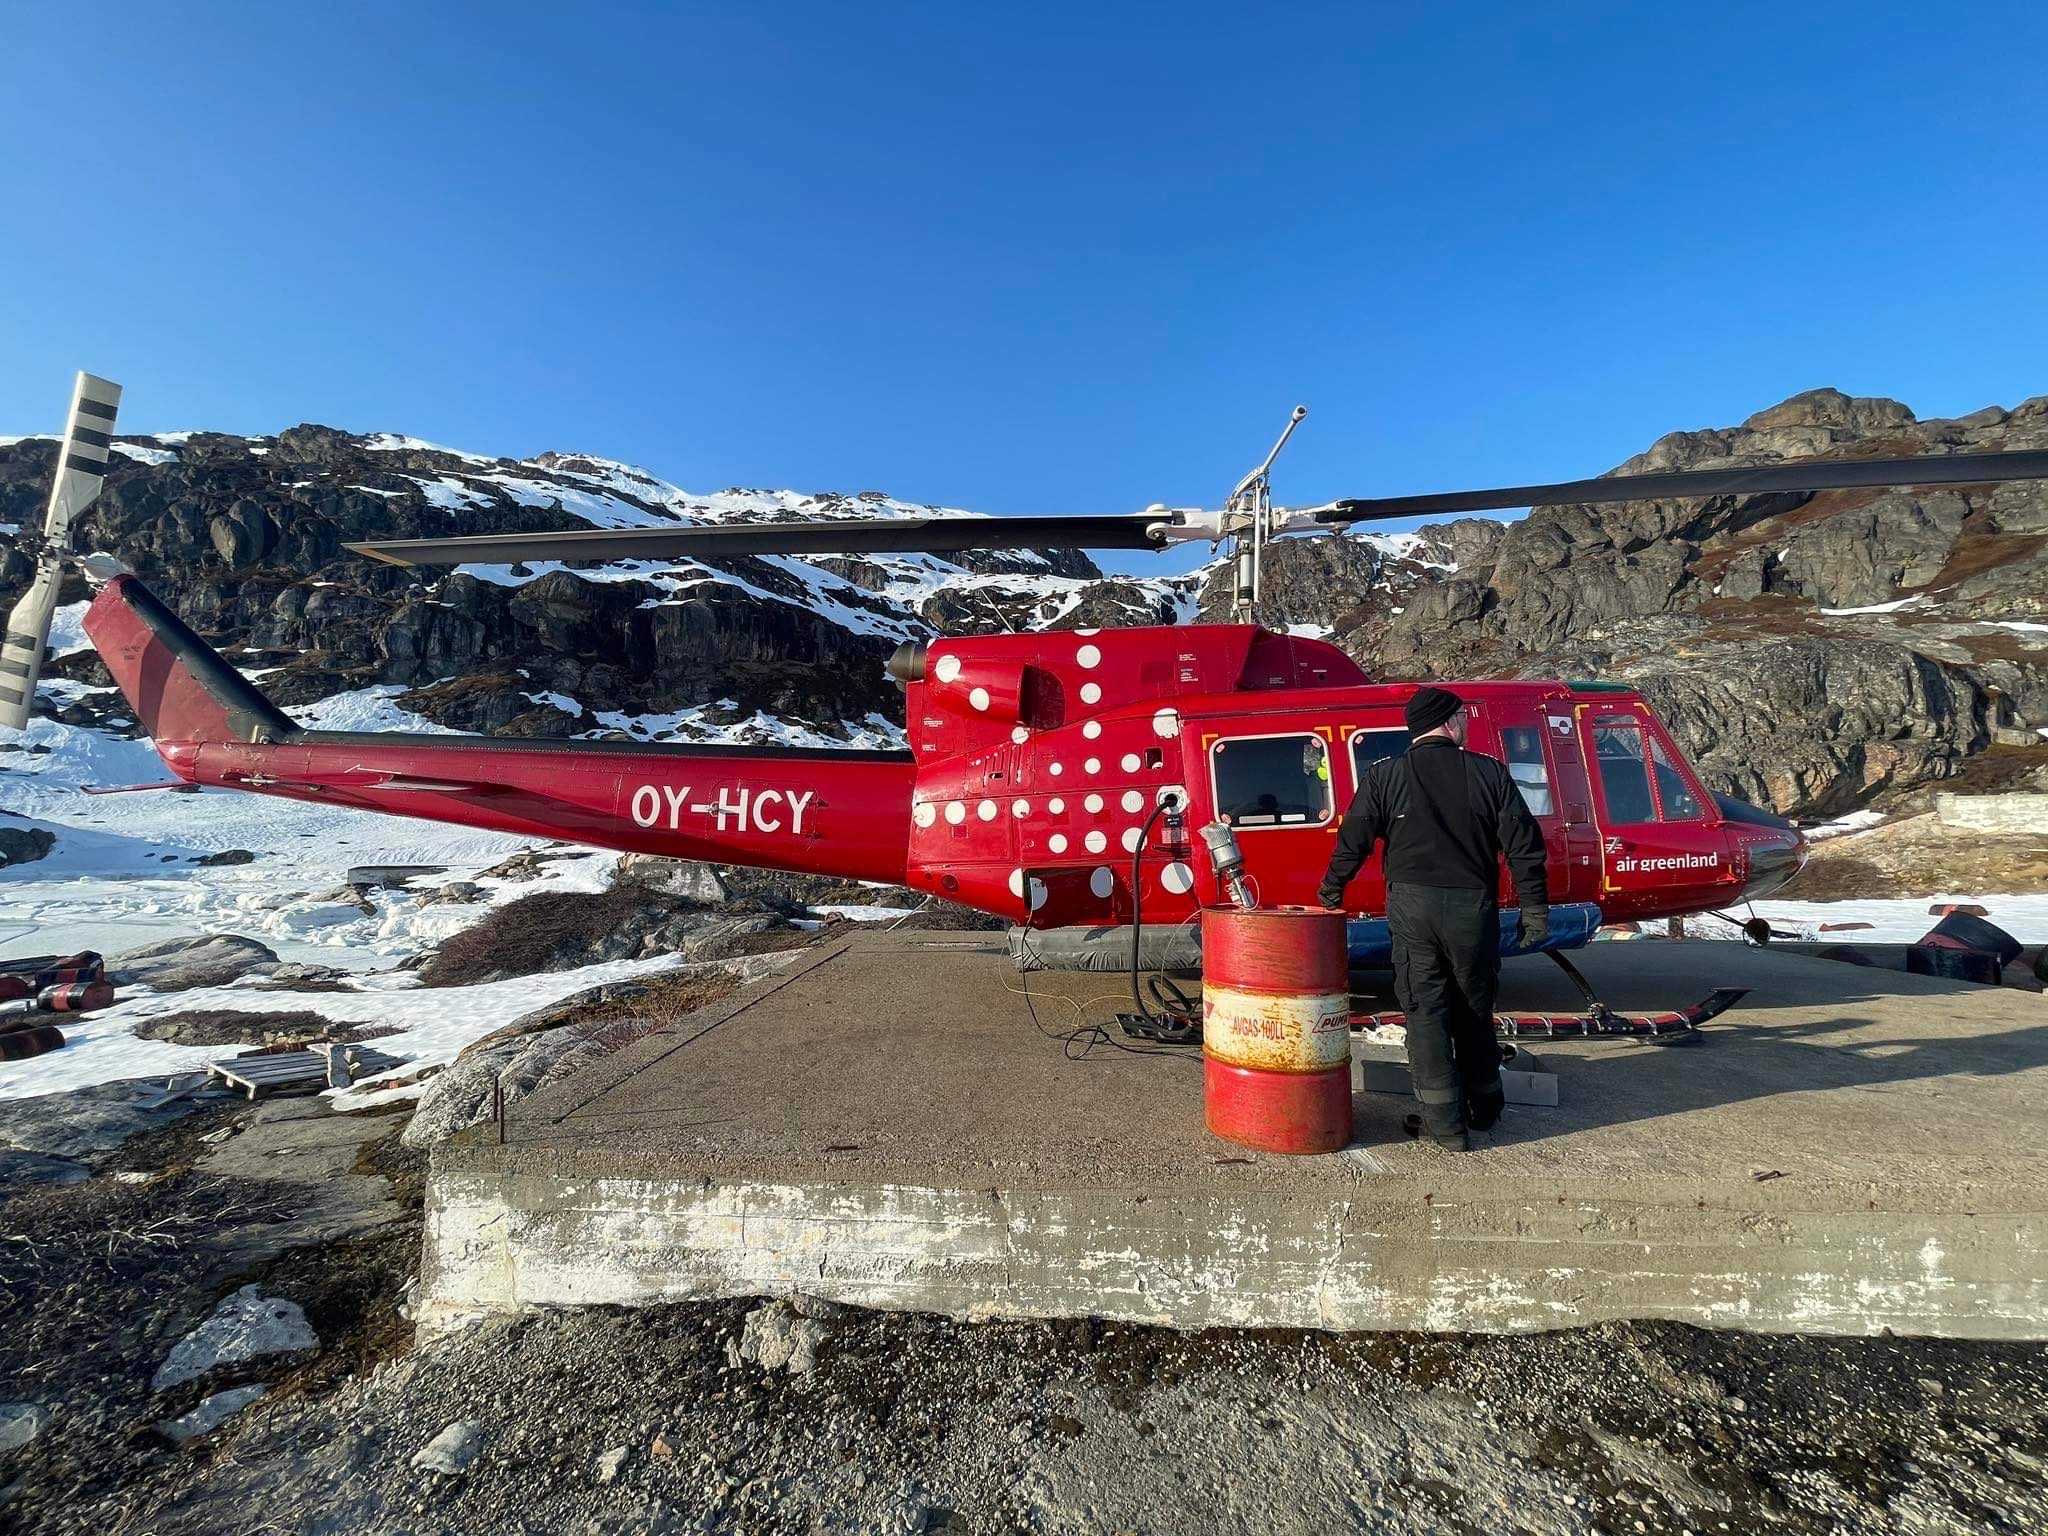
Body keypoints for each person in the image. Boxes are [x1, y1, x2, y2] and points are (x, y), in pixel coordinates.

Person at [1318, 686, 1548, 1150]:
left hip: (1412, 908)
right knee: (1474, 1010)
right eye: (1462, 717)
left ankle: (1443, 1126)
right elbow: (1524, 846)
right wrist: (1534, 910)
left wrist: (1331, 889)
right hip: (1471, 908)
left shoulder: (1386, 776)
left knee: (1425, 1014)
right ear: (1448, 720)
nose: (1466, 724)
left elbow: (1354, 838)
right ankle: (1485, 1110)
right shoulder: (1488, 772)